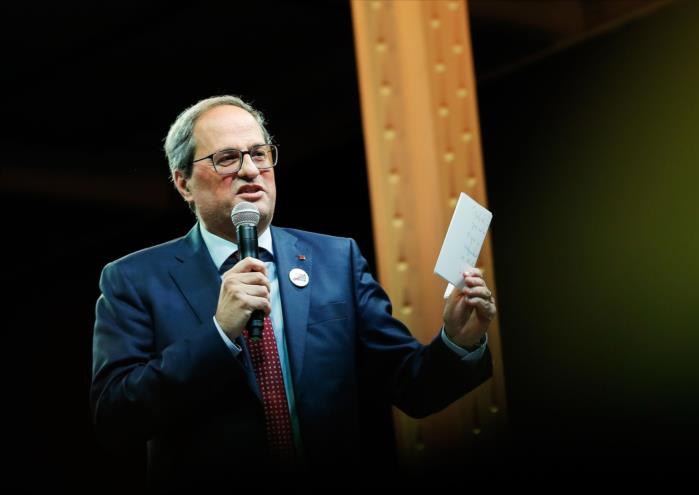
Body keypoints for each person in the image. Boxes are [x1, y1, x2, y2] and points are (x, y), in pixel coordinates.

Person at [90, 95, 496, 491]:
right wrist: (218, 334)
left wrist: (458, 343)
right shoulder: (134, 279)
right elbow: (116, 417)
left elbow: (412, 388)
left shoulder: (335, 259)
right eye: (227, 158)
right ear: (183, 183)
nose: (250, 170)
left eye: (259, 153)